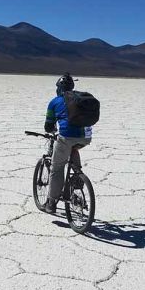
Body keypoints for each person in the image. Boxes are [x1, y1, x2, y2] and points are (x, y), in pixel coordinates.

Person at [40, 73, 92, 214]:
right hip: (85, 138)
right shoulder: (79, 99)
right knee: (74, 148)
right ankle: (77, 176)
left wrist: (52, 129)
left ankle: (51, 203)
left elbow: (48, 126)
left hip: (66, 138)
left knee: (57, 170)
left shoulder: (55, 102)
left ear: (59, 88)